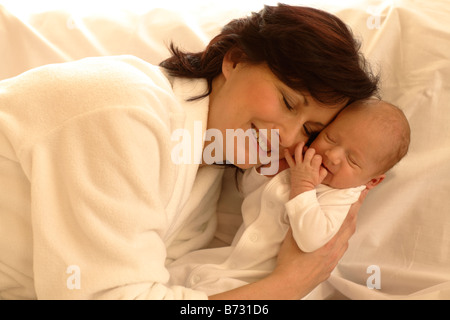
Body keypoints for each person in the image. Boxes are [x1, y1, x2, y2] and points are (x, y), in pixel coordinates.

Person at [0, 4, 378, 299]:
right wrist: (288, 286)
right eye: (287, 102)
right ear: (235, 60)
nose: (288, 136)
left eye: (311, 131)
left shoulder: (210, 169)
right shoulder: (125, 108)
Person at [166, 99, 411, 296]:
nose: (333, 155)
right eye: (331, 138)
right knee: (175, 273)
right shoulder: (301, 166)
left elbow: (311, 239)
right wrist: (268, 170)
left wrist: (303, 185)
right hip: (233, 260)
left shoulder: (341, 197)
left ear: (372, 181)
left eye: (353, 160)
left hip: (265, 280)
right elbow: (248, 195)